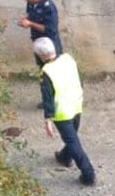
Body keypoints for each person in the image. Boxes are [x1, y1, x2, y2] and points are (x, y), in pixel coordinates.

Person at [35, 38, 95, 186]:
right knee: (72, 137)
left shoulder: (46, 72)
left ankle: (88, 174)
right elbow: (79, 79)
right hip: (75, 105)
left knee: (73, 142)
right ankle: (64, 157)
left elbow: (47, 97)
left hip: (62, 113)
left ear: (40, 56)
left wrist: (47, 119)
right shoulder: (68, 59)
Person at [18, 0, 62, 66]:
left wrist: (30, 24)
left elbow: (50, 29)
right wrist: (26, 21)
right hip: (39, 44)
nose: (26, 0)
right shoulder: (31, 4)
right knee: (42, 71)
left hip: (50, 47)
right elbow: (32, 16)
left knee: (52, 73)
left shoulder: (48, 7)